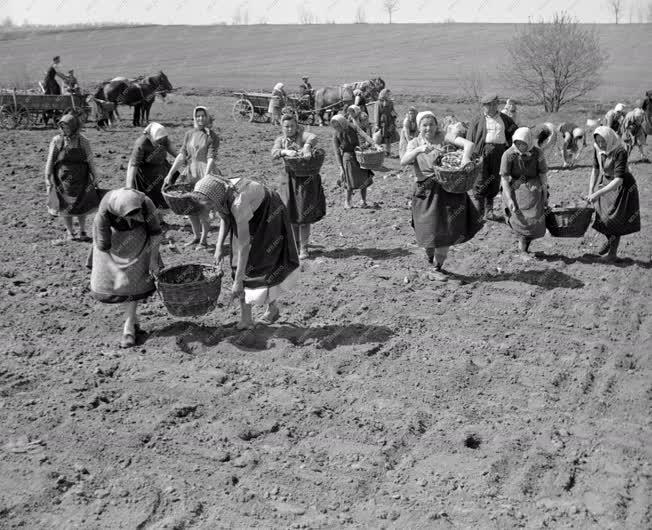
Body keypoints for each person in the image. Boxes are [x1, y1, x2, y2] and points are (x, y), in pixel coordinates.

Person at [187, 173, 300, 329]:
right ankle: (251, 317)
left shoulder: (238, 202)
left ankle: (265, 311)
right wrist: (219, 247)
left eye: (210, 205)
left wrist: (238, 281)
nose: (210, 209)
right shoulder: (220, 192)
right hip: (250, 208)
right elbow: (225, 219)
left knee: (260, 262)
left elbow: (244, 245)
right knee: (238, 263)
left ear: (215, 198)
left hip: (268, 212)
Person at [400, 111, 483, 281]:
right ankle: (431, 257)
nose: (428, 128)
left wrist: (466, 158)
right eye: (424, 125)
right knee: (428, 233)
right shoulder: (415, 142)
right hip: (425, 193)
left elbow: (469, 144)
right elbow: (404, 160)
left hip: (448, 190)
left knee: (446, 232)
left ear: (437, 125)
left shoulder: (444, 136)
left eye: (431, 124)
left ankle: (437, 268)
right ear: (419, 127)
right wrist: (418, 150)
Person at [87, 188, 163, 348]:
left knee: (136, 281)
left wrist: (153, 260)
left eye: (137, 214)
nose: (136, 217)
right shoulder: (105, 211)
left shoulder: (146, 204)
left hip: (139, 239)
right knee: (121, 283)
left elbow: (156, 233)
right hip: (113, 240)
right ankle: (132, 322)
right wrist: (115, 269)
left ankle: (128, 327)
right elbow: (103, 246)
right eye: (130, 215)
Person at [271, 113, 326, 260]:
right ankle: (295, 246)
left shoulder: (301, 136)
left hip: (304, 180)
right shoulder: (281, 140)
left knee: (304, 215)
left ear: (296, 126)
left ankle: (304, 248)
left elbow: (313, 137)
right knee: (291, 214)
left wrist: (307, 147)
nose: (289, 129)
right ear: (282, 127)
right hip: (287, 180)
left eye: (292, 126)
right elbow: (274, 152)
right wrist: (284, 151)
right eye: (286, 126)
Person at [164, 106, 219, 249]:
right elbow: (182, 155)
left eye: (203, 116)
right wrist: (170, 173)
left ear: (207, 117)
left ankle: (204, 241)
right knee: (189, 208)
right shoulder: (189, 134)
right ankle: (196, 237)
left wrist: (206, 177)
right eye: (198, 116)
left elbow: (211, 157)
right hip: (190, 172)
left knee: (203, 209)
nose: (200, 118)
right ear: (195, 118)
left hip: (205, 171)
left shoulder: (211, 136)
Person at [586, 126, 640, 262]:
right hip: (606, 184)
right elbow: (596, 169)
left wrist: (597, 193)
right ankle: (610, 240)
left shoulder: (620, 151)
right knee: (602, 217)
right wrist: (590, 190)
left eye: (603, 141)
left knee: (614, 218)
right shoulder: (598, 149)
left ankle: (612, 254)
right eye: (598, 141)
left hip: (622, 187)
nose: (601, 144)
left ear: (609, 138)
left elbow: (618, 180)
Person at [45, 113, 101, 242]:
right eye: (62, 127)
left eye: (67, 127)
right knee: (65, 205)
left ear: (74, 127)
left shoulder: (83, 141)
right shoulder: (57, 140)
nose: (64, 130)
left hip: (82, 178)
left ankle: (82, 231)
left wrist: (95, 176)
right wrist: (47, 178)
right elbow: (50, 160)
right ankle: (70, 232)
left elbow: (90, 160)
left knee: (82, 205)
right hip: (63, 180)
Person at [466, 93, 517, 221]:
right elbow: (470, 138)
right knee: (480, 179)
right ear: (484, 106)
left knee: (494, 180)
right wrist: (470, 155)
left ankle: (489, 212)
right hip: (482, 152)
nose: (490, 107)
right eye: (487, 105)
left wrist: (511, 149)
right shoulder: (477, 120)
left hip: (499, 153)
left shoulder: (505, 119)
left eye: (493, 104)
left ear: (496, 105)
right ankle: (478, 213)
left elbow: (514, 133)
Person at [500, 127, 549, 258]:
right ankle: (522, 250)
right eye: (518, 143)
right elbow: (504, 178)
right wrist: (509, 198)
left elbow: (543, 173)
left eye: (523, 143)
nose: (520, 146)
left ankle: (526, 246)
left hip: (534, 187)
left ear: (529, 142)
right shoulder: (508, 154)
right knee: (519, 217)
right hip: (516, 187)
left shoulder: (538, 153)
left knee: (534, 219)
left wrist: (545, 191)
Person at [126, 122, 178, 220]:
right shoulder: (141, 143)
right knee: (149, 199)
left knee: (161, 196)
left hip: (161, 171)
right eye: (159, 140)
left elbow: (175, 153)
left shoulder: (163, 139)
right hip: (146, 176)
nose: (161, 141)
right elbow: (133, 164)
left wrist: (183, 159)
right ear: (151, 136)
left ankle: (160, 220)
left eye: (163, 139)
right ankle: (153, 222)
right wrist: (129, 186)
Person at [331, 114, 374, 209]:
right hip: (348, 158)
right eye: (335, 127)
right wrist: (340, 167)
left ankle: (363, 201)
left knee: (364, 178)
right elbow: (337, 152)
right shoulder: (336, 134)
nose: (337, 128)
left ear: (342, 123)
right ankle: (347, 202)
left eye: (338, 126)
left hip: (359, 154)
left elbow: (364, 134)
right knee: (349, 181)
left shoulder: (352, 127)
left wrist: (373, 143)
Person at [42, 56, 68, 125]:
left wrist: (65, 77)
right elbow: (59, 74)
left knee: (57, 89)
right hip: (49, 81)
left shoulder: (54, 66)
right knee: (56, 90)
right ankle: (55, 106)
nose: (59, 60)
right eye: (58, 59)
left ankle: (55, 106)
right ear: (55, 60)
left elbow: (59, 73)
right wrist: (65, 78)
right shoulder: (55, 66)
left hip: (50, 80)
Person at [375, 88, 398, 157]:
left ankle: (388, 152)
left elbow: (392, 111)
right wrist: (377, 124)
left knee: (388, 138)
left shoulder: (390, 102)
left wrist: (394, 117)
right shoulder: (378, 103)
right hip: (382, 123)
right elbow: (377, 114)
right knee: (379, 138)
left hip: (389, 122)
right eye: (388, 94)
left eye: (389, 94)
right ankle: (378, 151)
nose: (389, 95)